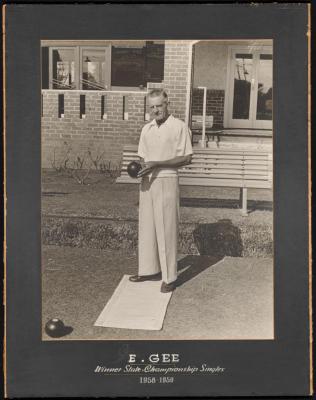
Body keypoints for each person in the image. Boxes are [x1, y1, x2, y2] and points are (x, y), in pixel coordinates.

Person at [129, 89, 193, 293]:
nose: (156, 110)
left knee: (166, 229)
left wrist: (157, 164)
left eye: (159, 105)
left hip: (167, 179)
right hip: (147, 182)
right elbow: (143, 157)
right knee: (147, 227)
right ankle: (149, 270)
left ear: (167, 104)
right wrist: (140, 168)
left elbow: (186, 158)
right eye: (152, 107)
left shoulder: (179, 126)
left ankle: (169, 276)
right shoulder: (146, 129)